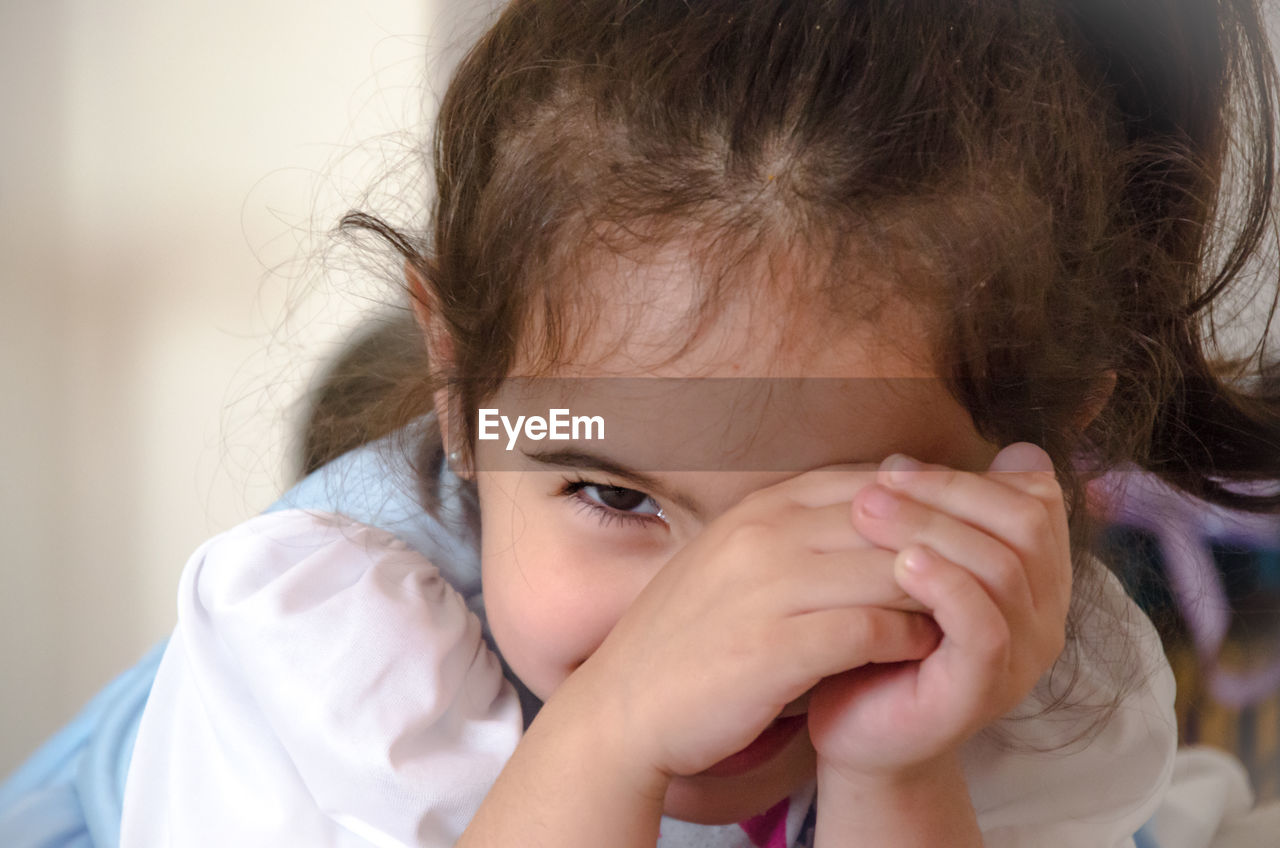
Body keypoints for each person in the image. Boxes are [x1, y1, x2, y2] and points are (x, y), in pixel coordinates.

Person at [5, 0, 1280, 845]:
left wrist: (896, 767)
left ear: (1042, 456)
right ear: (459, 384)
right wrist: (611, 730)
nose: (720, 618)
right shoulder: (321, 650)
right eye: (613, 495)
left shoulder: (1039, 675)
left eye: (827, 519)